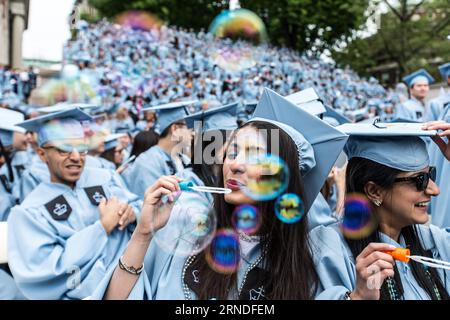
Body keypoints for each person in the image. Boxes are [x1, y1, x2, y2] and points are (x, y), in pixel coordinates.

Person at [90, 88, 347, 300]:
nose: (235, 164)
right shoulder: (185, 228)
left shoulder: (305, 262)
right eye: (233, 152)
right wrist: (143, 234)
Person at [7, 108, 142, 300]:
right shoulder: (30, 212)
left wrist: (132, 213)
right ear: (42, 154)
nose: (77, 158)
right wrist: (102, 228)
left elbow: (138, 207)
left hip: (134, 284)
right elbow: (47, 271)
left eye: (82, 149)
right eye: (64, 150)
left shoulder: (104, 179)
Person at [311, 123, 450, 300]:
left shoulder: (433, 242)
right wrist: (358, 297)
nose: (434, 190)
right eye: (420, 180)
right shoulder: (329, 250)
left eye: (431, 175)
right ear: (375, 191)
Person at [122, 100, 195, 198]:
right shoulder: (147, 163)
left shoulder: (181, 158)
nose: (193, 133)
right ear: (175, 129)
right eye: (190, 128)